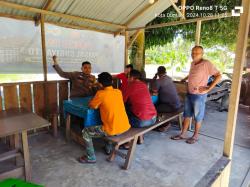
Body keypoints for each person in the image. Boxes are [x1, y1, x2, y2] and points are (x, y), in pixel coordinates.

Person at [171, 46, 221, 144]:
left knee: (198, 116)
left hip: (199, 95)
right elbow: (192, 74)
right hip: (190, 93)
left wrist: (209, 88)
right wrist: (185, 79)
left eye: (197, 53)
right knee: (187, 114)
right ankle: (183, 134)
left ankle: (195, 136)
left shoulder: (206, 63)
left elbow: (219, 75)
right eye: (193, 52)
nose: (194, 54)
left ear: (202, 54)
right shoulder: (193, 63)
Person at [79, 72, 131, 163]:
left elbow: (92, 106)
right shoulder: (118, 92)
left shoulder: (100, 94)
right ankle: (108, 148)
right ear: (111, 81)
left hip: (112, 130)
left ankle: (90, 157)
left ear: (100, 84)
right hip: (125, 126)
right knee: (107, 121)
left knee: (85, 132)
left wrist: (92, 99)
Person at [151, 66, 182, 131]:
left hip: (171, 106)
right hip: (177, 104)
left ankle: (165, 124)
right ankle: (162, 122)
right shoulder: (169, 78)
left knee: (153, 108)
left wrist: (154, 77)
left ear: (158, 73)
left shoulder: (159, 81)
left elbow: (154, 92)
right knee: (157, 105)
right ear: (165, 72)